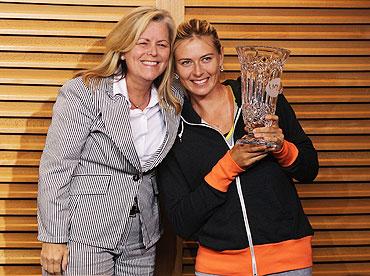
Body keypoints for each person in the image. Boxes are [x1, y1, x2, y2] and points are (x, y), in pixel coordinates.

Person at [157, 19, 319, 276]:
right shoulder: (172, 128)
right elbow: (181, 221)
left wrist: (281, 147)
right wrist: (230, 164)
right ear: (175, 69)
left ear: (221, 57)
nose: (198, 71)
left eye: (206, 58)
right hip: (219, 268)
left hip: (289, 262)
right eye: (186, 62)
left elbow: (309, 169)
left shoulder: (261, 99)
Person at [37, 6, 183, 275]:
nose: (153, 52)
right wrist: (53, 238)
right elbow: (56, 167)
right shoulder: (84, 92)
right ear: (124, 48)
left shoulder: (172, 97)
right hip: (85, 232)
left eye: (162, 45)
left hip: (142, 237)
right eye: (143, 43)